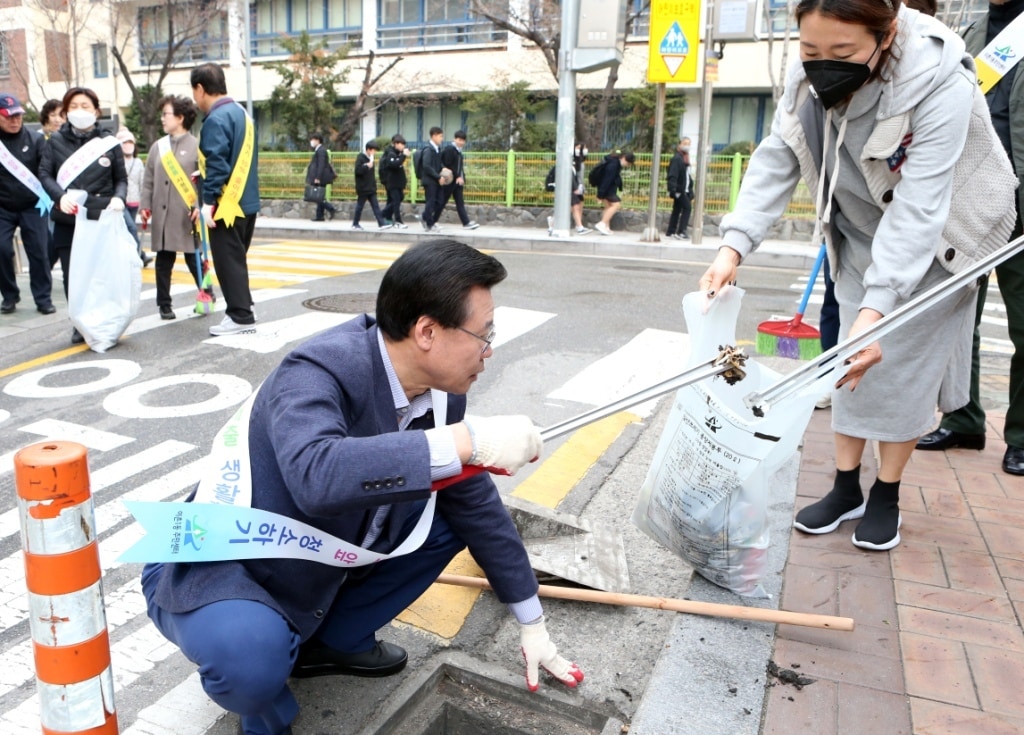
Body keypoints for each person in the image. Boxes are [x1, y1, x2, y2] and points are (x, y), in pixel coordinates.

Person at [141, 239, 583, 735]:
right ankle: (266, 700)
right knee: (251, 664)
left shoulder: (441, 393)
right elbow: (317, 476)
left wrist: (531, 621)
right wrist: (465, 441)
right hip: (231, 567)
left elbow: (477, 506)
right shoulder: (318, 370)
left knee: (450, 521)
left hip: (317, 562)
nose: (489, 349)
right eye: (484, 334)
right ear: (427, 332)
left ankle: (333, 640)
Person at [699, 0, 1016, 551]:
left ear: (886, 33)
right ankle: (846, 486)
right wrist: (733, 246)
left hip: (940, 237)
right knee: (849, 365)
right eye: (810, 50)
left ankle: (887, 493)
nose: (822, 64)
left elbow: (921, 206)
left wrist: (878, 309)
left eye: (842, 53)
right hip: (862, 234)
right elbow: (779, 156)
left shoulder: (941, 83)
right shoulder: (804, 78)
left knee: (901, 371)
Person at [915, 0, 1024, 475]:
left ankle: (1021, 435)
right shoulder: (973, 32)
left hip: (1021, 201)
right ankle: (963, 418)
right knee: (959, 318)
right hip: (974, 199)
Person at [38, 86, 128, 345]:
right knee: (73, 274)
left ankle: (105, 320)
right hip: (69, 219)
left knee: (102, 273)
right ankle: (79, 323)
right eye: (74, 106)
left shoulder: (109, 143)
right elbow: (44, 174)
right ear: (66, 113)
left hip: (101, 217)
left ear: (97, 111)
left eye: (85, 106)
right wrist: (59, 196)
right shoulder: (55, 141)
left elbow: (120, 179)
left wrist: (119, 198)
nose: (80, 111)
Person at [190, 63, 259, 337]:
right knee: (236, 260)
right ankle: (245, 306)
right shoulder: (242, 114)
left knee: (228, 262)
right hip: (247, 202)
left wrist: (208, 202)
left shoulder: (216, 119)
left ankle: (241, 316)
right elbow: (233, 158)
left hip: (226, 206)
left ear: (200, 88)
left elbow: (218, 164)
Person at [141, 95, 208, 320]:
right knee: (163, 261)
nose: (162, 119)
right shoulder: (158, 147)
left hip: (186, 214)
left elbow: (204, 180)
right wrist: (144, 204)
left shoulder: (197, 146)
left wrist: (200, 205)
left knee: (193, 257)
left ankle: (206, 292)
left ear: (180, 117)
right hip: (162, 214)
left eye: (166, 114)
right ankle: (164, 304)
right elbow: (148, 177)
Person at [0, 93, 54, 316]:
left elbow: (46, 172)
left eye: (18, 116)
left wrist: (47, 197)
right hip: (2, 206)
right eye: (8, 117)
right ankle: (10, 295)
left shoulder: (36, 140)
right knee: (1, 249)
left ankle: (43, 298)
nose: (15, 121)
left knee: (39, 251)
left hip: (33, 204)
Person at [117, 127, 154, 267]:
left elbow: (143, 183)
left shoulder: (138, 162)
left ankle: (127, 256)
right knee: (131, 228)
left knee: (127, 230)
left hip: (134, 202)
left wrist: (144, 203)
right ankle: (141, 255)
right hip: (120, 202)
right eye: (124, 143)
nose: (128, 146)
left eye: (130, 142)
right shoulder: (117, 161)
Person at [545, 143, 591, 236]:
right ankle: (579, 227)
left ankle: (553, 223)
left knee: (572, 207)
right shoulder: (564, 164)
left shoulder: (572, 164)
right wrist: (575, 189)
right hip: (566, 189)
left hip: (569, 189)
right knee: (575, 206)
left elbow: (573, 177)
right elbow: (567, 177)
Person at [439, 130, 480, 230]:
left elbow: (459, 167)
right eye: (459, 140)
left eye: (463, 140)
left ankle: (466, 223)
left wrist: (462, 177)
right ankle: (428, 219)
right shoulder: (450, 149)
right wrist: (457, 176)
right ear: (455, 139)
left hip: (457, 182)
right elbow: (449, 166)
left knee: (460, 203)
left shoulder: (459, 152)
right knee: (441, 202)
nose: (461, 142)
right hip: (450, 181)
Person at [593, 149, 634, 236]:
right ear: (623, 158)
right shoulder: (614, 165)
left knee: (608, 207)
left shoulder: (614, 162)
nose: (627, 165)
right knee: (616, 204)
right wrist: (600, 194)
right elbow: (607, 180)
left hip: (606, 188)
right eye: (628, 162)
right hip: (607, 189)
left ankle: (606, 227)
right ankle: (602, 223)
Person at [352, 140, 388, 230]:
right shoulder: (361, 157)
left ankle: (381, 223)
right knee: (360, 206)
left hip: (371, 187)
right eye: (374, 150)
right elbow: (357, 171)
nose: (375, 152)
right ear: (368, 150)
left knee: (376, 206)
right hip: (363, 187)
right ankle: (355, 223)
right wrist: (366, 166)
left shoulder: (371, 159)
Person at [665, 138, 694, 240]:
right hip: (679, 189)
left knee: (677, 209)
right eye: (685, 143)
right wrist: (673, 189)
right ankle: (681, 231)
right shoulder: (677, 158)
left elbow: (687, 176)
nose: (687, 146)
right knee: (687, 208)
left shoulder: (685, 158)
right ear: (679, 145)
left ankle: (670, 231)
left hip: (683, 189)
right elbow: (673, 174)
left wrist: (690, 189)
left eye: (689, 144)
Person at [379, 134, 409, 228]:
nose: (403, 146)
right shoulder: (391, 153)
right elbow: (394, 164)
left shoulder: (396, 153)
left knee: (395, 199)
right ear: (395, 144)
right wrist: (403, 156)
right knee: (396, 200)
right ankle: (397, 220)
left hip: (395, 182)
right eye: (401, 144)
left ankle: (385, 216)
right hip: (392, 182)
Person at [418, 126, 445, 232]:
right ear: (434, 136)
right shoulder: (428, 149)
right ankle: (429, 223)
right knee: (431, 201)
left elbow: (437, 164)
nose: (442, 138)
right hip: (430, 180)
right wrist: (438, 176)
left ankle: (425, 217)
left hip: (436, 180)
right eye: (440, 136)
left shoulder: (437, 149)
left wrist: (443, 168)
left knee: (439, 201)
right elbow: (427, 165)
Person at [306, 133, 336, 222]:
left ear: (318, 140)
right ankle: (320, 215)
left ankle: (330, 208)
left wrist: (317, 177)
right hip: (320, 177)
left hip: (321, 177)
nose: (312, 142)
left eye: (313, 139)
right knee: (319, 196)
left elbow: (321, 165)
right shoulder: (319, 150)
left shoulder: (321, 150)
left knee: (319, 197)